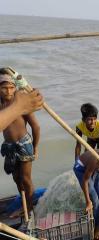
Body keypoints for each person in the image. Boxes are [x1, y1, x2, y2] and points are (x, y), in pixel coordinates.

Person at [0, 69, 41, 213]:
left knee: (25, 178)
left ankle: (29, 209)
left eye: (11, 87)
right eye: (4, 88)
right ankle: (24, 203)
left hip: (24, 144)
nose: (8, 91)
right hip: (9, 146)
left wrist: (35, 148)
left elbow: (36, 126)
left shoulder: (20, 103)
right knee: (16, 178)